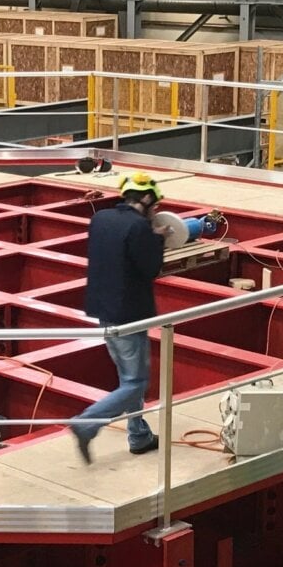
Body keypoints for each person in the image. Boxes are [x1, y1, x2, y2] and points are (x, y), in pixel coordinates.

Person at [70, 172, 171, 464]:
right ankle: (87, 424)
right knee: (135, 383)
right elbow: (151, 269)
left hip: (103, 310)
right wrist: (158, 240)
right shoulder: (139, 227)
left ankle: (138, 435)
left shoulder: (101, 218)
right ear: (147, 199)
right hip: (129, 315)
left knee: (128, 375)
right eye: (155, 205)